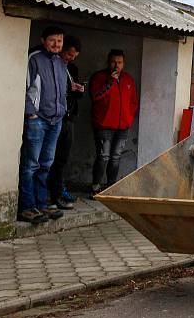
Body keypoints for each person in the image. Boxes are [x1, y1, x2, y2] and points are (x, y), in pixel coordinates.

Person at [18, 26, 68, 224]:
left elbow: (62, 91)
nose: (56, 45)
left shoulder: (60, 62)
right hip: (37, 120)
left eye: (60, 41)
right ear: (43, 39)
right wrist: (30, 113)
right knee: (30, 165)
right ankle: (27, 207)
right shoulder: (34, 58)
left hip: (55, 120)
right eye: (52, 40)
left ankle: (41, 203)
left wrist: (62, 110)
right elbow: (24, 85)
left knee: (46, 164)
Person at [89, 49, 139, 196]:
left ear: (124, 63)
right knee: (103, 156)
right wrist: (110, 81)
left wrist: (128, 118)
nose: (116, 65)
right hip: (103, 125)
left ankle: (110, 187)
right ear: (108, 62)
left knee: (116, 157)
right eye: (113, 62)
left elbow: (133, 102)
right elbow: (96, 97)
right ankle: (95, 187)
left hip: (123, 126)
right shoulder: (99, 77)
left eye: (119, 62)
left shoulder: (128, 79)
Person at [46, 36, 85, 209]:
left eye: (74, 55)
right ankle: (49, 194)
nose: (71, 58)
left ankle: (58, 191)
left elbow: (74, 93)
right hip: (54, 117)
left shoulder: (72, 68)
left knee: (62, 157)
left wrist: (78, 90)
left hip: (69, 117)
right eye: (69, 54)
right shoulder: (53, 65)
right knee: (48, 158)